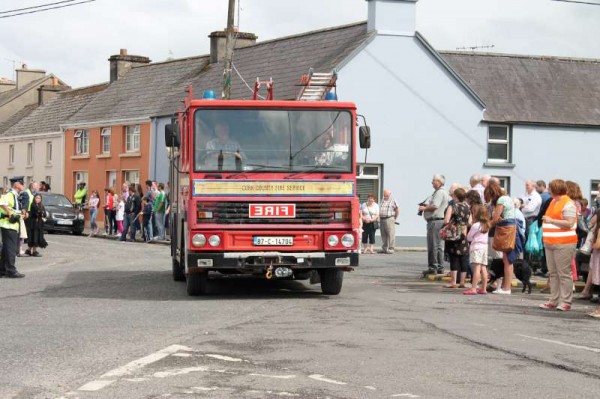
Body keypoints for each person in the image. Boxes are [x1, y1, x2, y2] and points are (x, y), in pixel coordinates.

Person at [539, 179, 577, 311]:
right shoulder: (553, 202)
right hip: (550, 242)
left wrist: (552, 220)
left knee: (564, 273)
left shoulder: (568, 204)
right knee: (553, 273)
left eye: (550, 188)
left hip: (564, 243)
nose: (548, 190)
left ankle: (566, 301)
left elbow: (570, 223)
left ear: (555, 189)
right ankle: (554, 300)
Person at [485, 180, 517, 295]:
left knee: (507, 260)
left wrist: (485, 227)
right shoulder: (506, 198)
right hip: (510, 227)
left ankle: (506, 288)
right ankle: (505, 286)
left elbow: (495, 218)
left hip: (506, 229)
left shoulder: (501, 200)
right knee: (507, 259)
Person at [419, 174, 449, 275]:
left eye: (433, 180)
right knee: (439, 245)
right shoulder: (443, 192)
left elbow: (435, 206)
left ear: (438, 182)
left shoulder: (440, 192)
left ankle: (433, 267)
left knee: (433, 245)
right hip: (438, 221)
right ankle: (440, 267)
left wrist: (424, 208)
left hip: (435, 221)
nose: (432, 182)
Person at [443, 187, 470, 288]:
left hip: (454, 234)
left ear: (455, 196)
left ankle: (453, 282)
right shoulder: (467, 207)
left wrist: (452, 225)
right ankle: (462, 282)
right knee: (463, 257)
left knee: (453, 257)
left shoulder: (452, 206)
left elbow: (446, 220)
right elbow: (470, 222)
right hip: (463, 234)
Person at [0, 176, 26, 278]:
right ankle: (11, 270)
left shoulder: (16, 195)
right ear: (16, 185)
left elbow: (14, 208)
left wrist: (22, 212)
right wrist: (9, 213)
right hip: (8, 225)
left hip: (12, 226)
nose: (23, 185)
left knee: (6, 249)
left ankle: (2, 270)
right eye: (21, 183)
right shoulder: (10, 194)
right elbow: (1, 202)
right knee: (11, 249)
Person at [464, 204, 490, 295]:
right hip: (484, 247)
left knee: (476, 269)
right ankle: (484, 288)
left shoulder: (475, 225)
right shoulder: (487, 225)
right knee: (483, 268)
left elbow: (469, 237)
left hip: (476, 247)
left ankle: (474, 288)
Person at [378, 189, 399, 254]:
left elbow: (397, 210)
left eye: (386, 195)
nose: (385, 196)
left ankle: (391, 248)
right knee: (383, 234)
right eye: (384, 195)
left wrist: (395, 218)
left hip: (389, 218)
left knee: (390, 234)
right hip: (382, 219)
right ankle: (384, 248)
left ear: (390, 194)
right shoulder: (382, 200)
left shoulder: (393, 200)